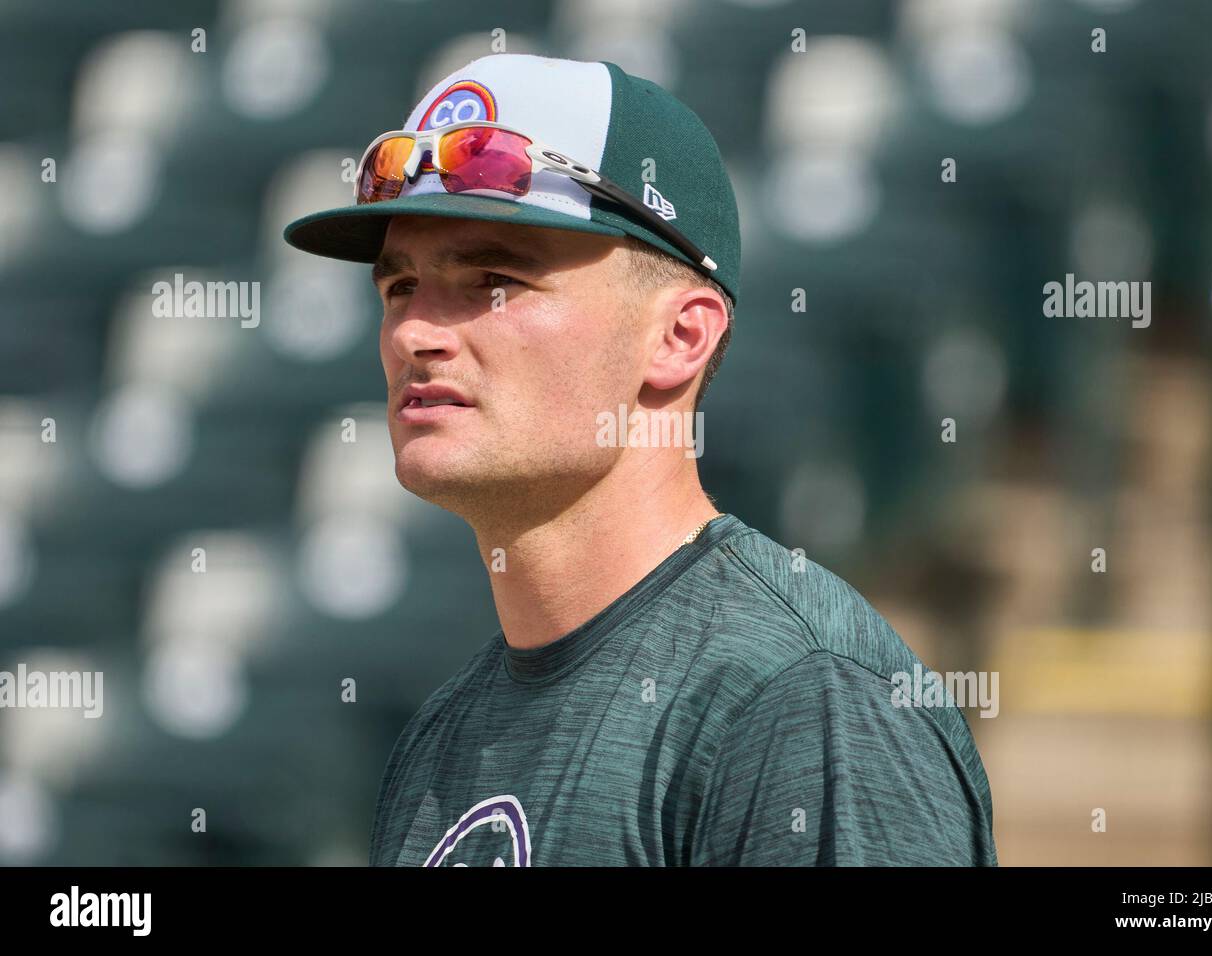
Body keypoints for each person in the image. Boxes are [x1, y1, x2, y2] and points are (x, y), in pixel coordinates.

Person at [285, 52, 997, 866]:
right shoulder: (442, 733)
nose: (415, 333)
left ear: (679, 337)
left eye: (492, 280)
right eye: (401, 286)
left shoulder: (803, 699)